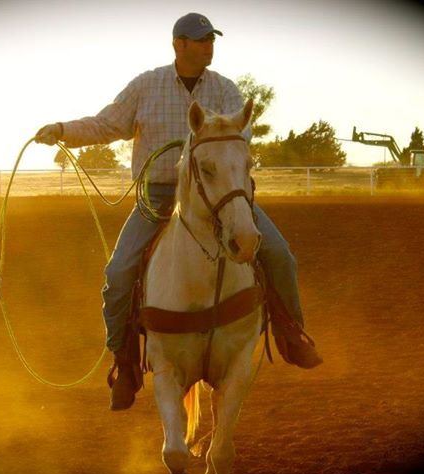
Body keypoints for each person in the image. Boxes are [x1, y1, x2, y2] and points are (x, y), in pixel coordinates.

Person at [35, 12, 321, 411]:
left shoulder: (225, 90)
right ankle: (126, 362)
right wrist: (63, 130)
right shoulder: (147, 86)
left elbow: (240, 135)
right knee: (119, 273)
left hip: (219, 194)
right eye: (200, 39)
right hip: (157, 197)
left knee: (279, 255)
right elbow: (106, 125)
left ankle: (292, 334)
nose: (208, 46)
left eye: (211, 40)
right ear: (178, 44)